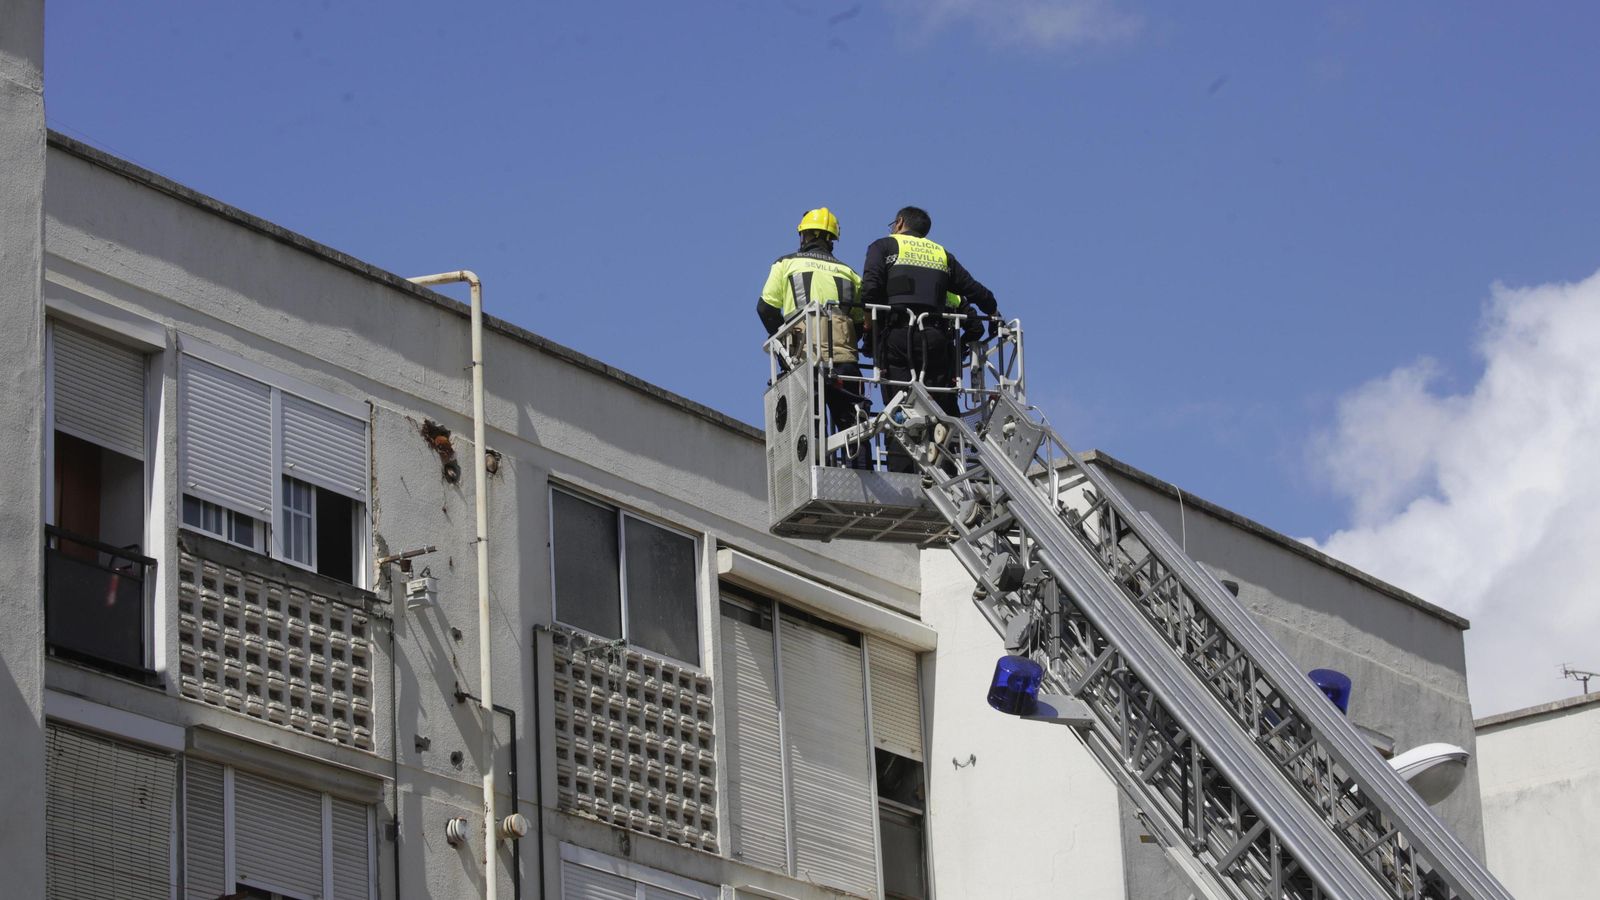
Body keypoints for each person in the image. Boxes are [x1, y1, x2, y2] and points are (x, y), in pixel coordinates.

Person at [860, 206, 999, 470]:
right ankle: (949, 471)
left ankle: (902, 472)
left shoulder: (884, 247)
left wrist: (870, 331)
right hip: (935, 341)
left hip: (898, 338)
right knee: (940, 409)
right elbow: (975, 290)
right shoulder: (941, 254)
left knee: (900, 410)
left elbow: (870, 290)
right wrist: (992, 311)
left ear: (900, 222)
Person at [757, 207, 872, 469]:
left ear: (804, 235)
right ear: (831, 239)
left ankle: (811, 473)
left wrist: (783, 346)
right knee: (854, 424)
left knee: (807, 424)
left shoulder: (786, 264)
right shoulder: (849, 273)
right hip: (845, 359)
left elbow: (765, 308)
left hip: (803, 357)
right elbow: (859, 320)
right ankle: (862, 474)